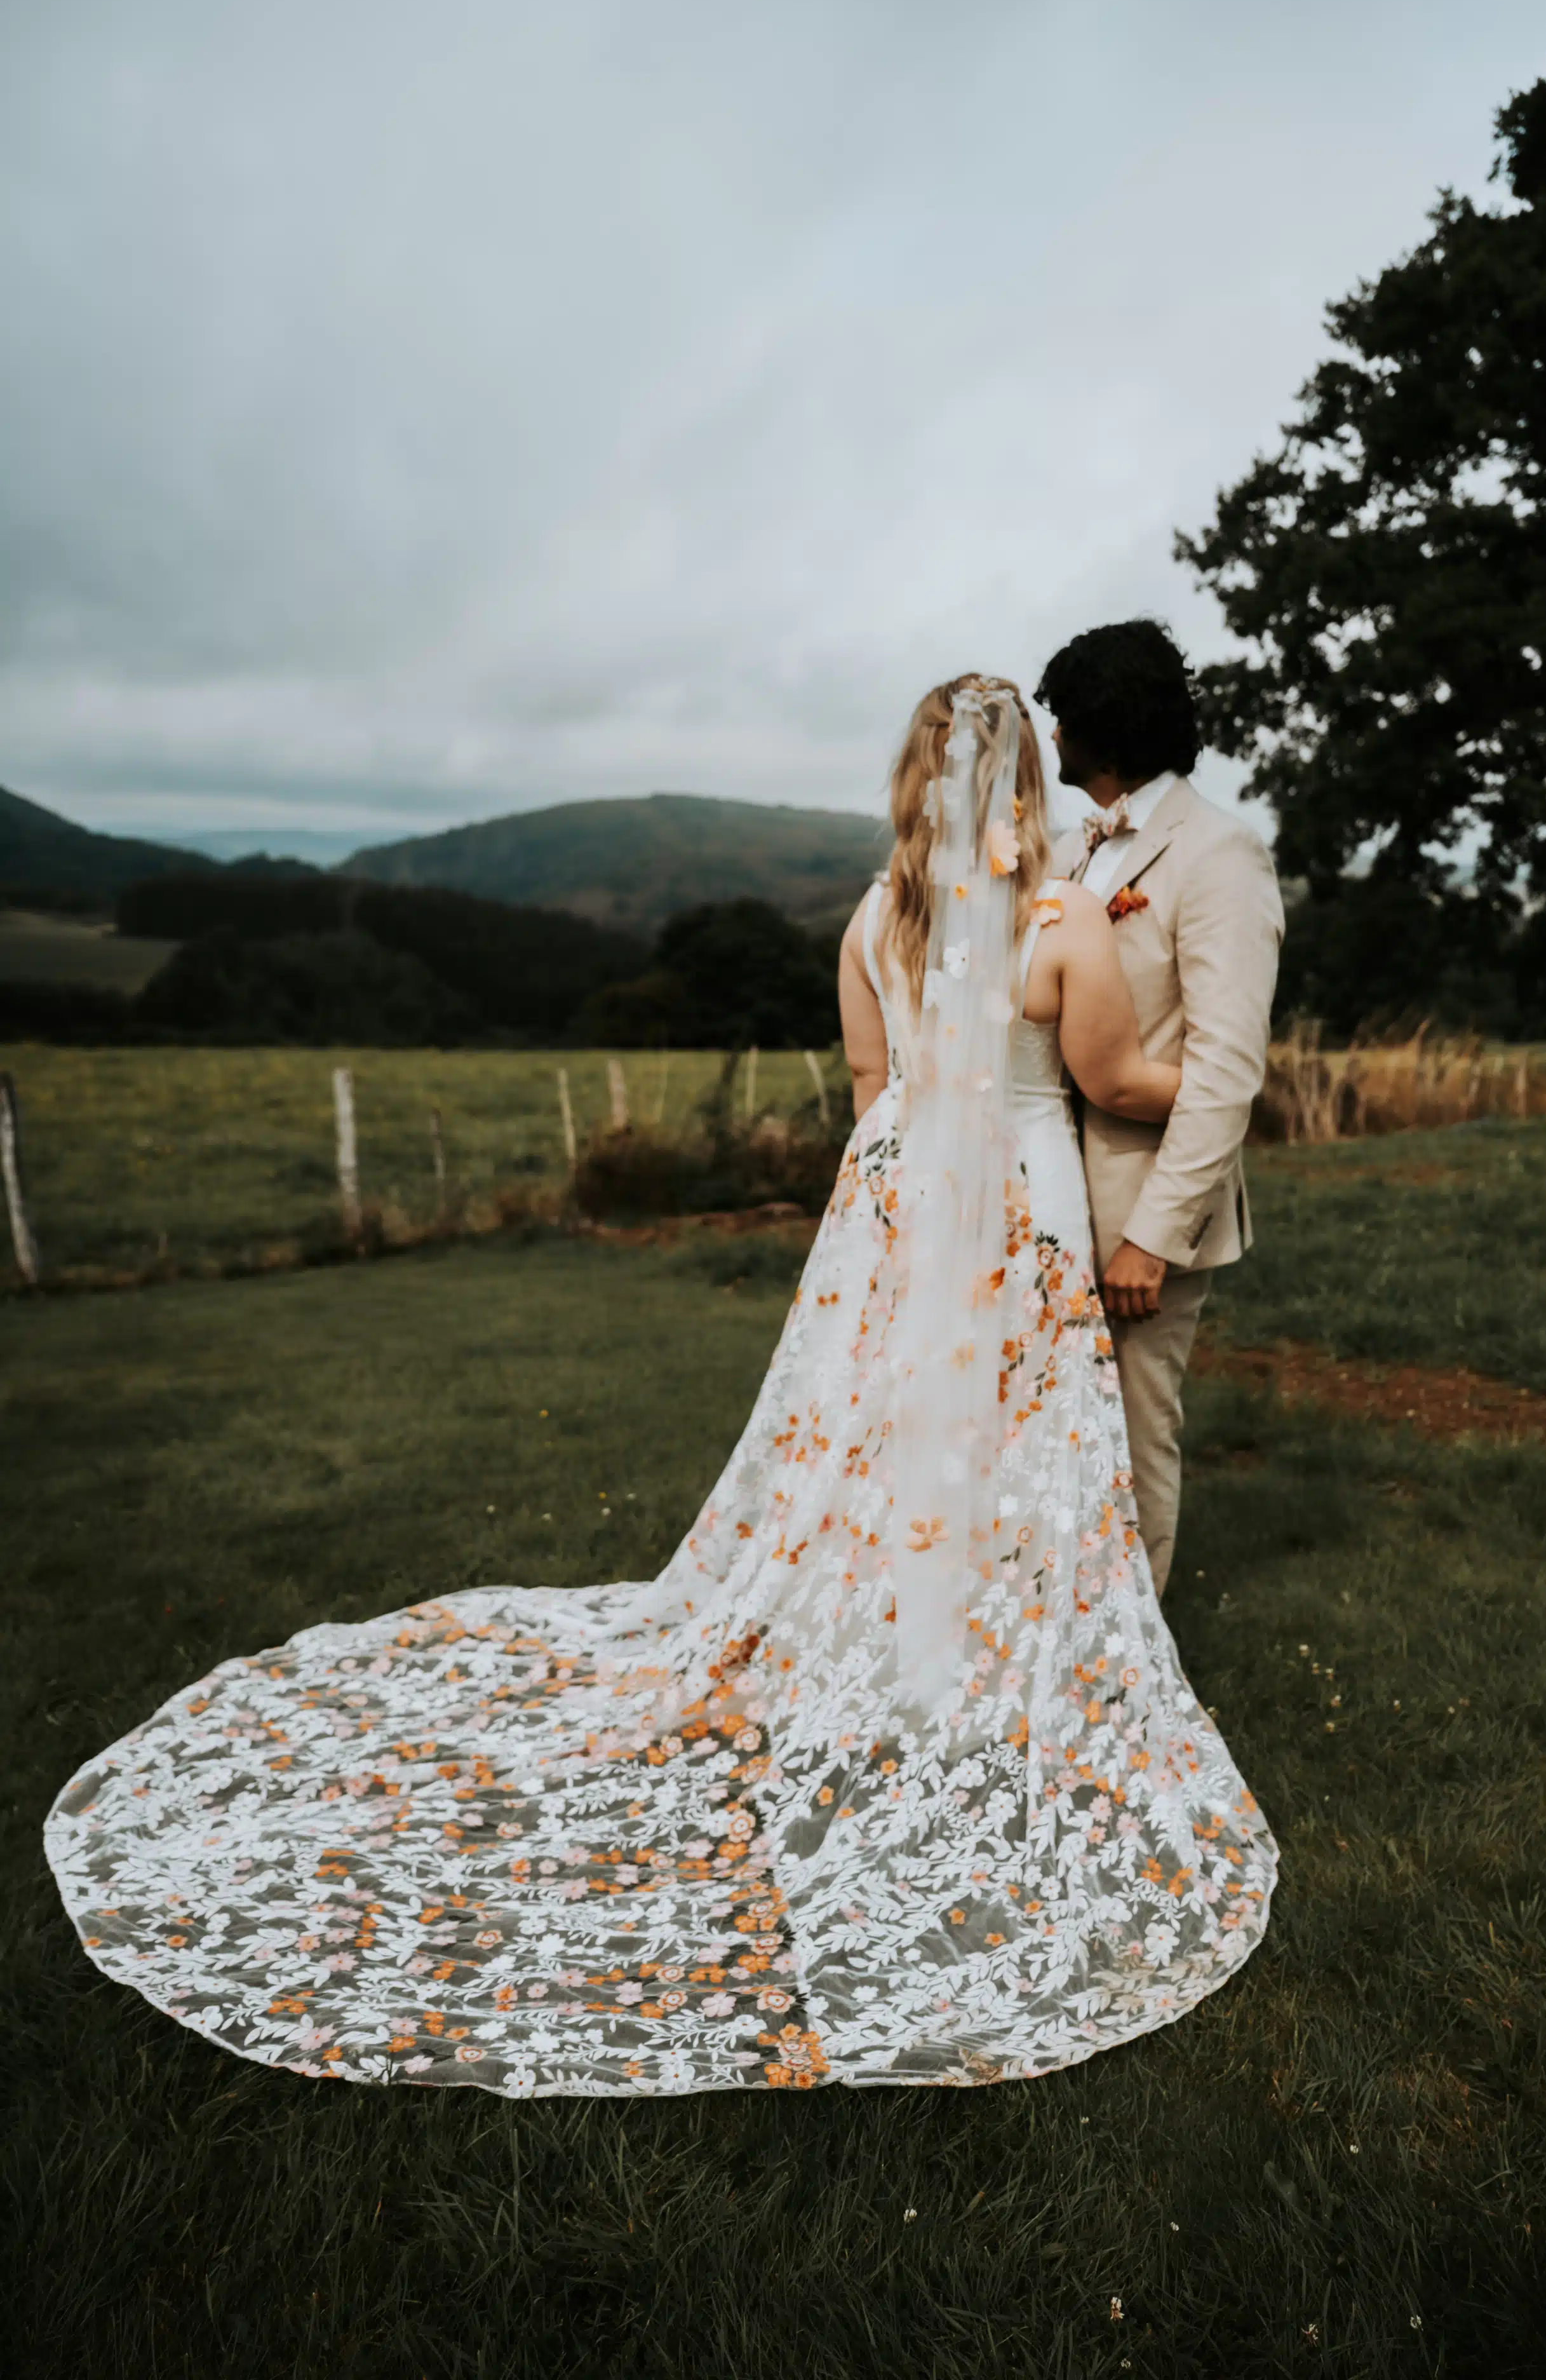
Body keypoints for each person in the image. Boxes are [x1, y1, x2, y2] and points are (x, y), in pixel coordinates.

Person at [44, 675, 1276, 2097]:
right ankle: (991, 1686)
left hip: (887, 1214)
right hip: (1018, 1211)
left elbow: (870, 1093)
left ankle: (902, 1668)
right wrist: (1219, 1076)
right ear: (1016, 792)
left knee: (877, 1453)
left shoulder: (872, 921)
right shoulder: (1058, 926)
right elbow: (1111, 1080)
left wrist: (894, 1215)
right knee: (1013, 1456)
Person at [1040, 621, 1284, 1599]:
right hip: (1046, 1196)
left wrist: (1153, 1238)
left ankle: (1133, 1669)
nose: (1051, 736)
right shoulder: (1068, 850)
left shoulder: (1221, 855)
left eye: (1062, 716)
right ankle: (1057, 1639)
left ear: (1098, 727)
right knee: (1053, 1439)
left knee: (1133, 1444)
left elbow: (1225, 1068)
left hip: (1139, 1206)